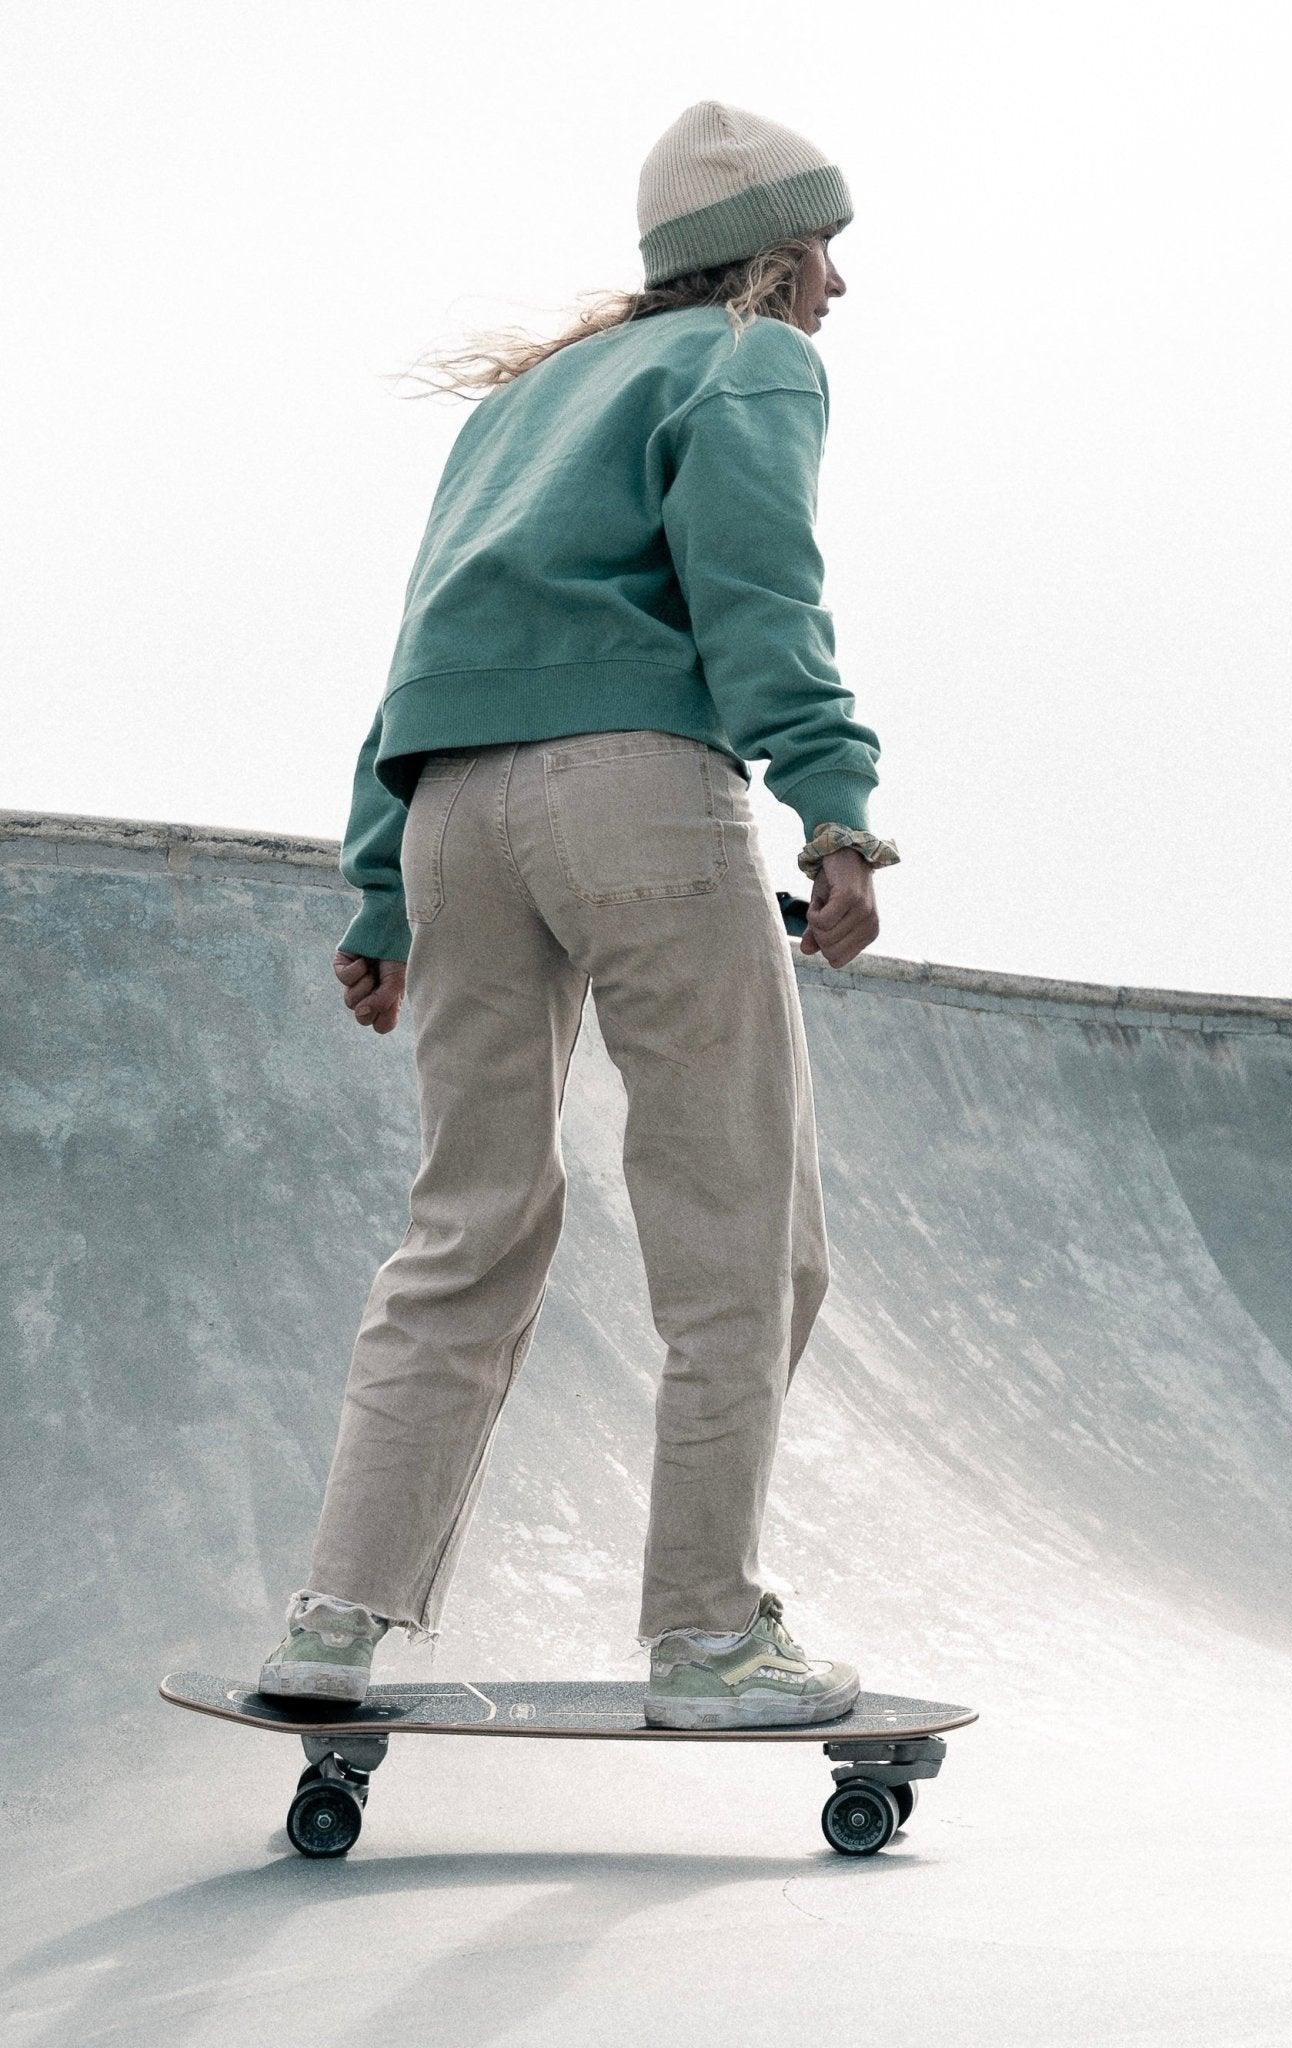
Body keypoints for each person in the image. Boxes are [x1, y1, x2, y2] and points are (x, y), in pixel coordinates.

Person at [257, 100, 899, 1731]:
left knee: (467, 1221)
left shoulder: (528, 402)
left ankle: (332, 1620)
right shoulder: (750, 360)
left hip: (455, 807)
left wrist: (378, 881)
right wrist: (834, 809)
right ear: (771, 254)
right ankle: (704, 1638)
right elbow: (760, 588)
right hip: (635, 788)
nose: (842, 285)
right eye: (829, 247)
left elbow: (427, 636)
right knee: (738, 1221)